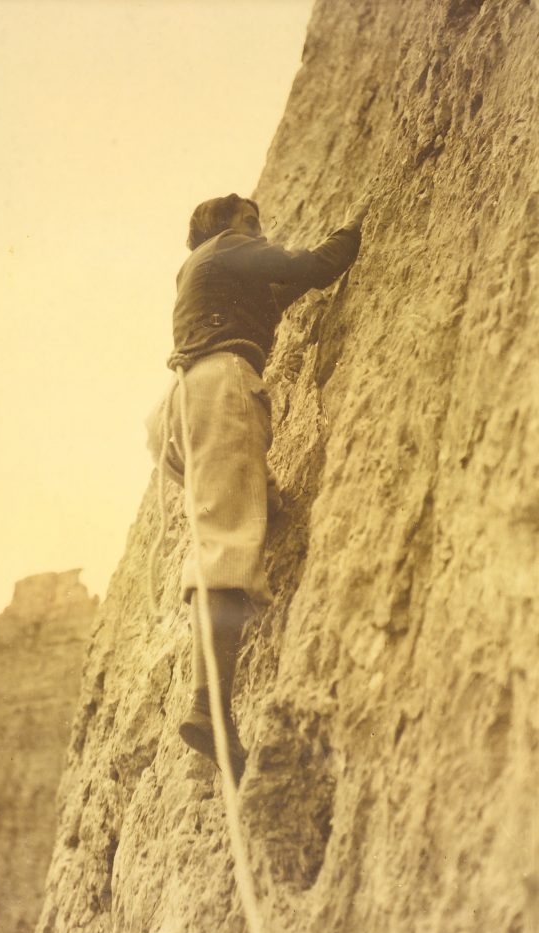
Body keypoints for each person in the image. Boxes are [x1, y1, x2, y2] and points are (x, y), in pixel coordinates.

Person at [146, 191, 370, 784]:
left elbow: (280, 292)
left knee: (242, 511)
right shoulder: (227, 248)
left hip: (177, 412)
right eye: (251, 224)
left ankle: (256, 503)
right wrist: (357, 226)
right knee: (227, 544)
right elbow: (306, 269)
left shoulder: (203, 273)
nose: (259, 233)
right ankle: (207, 707)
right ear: (224, 226)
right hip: (220, 386)